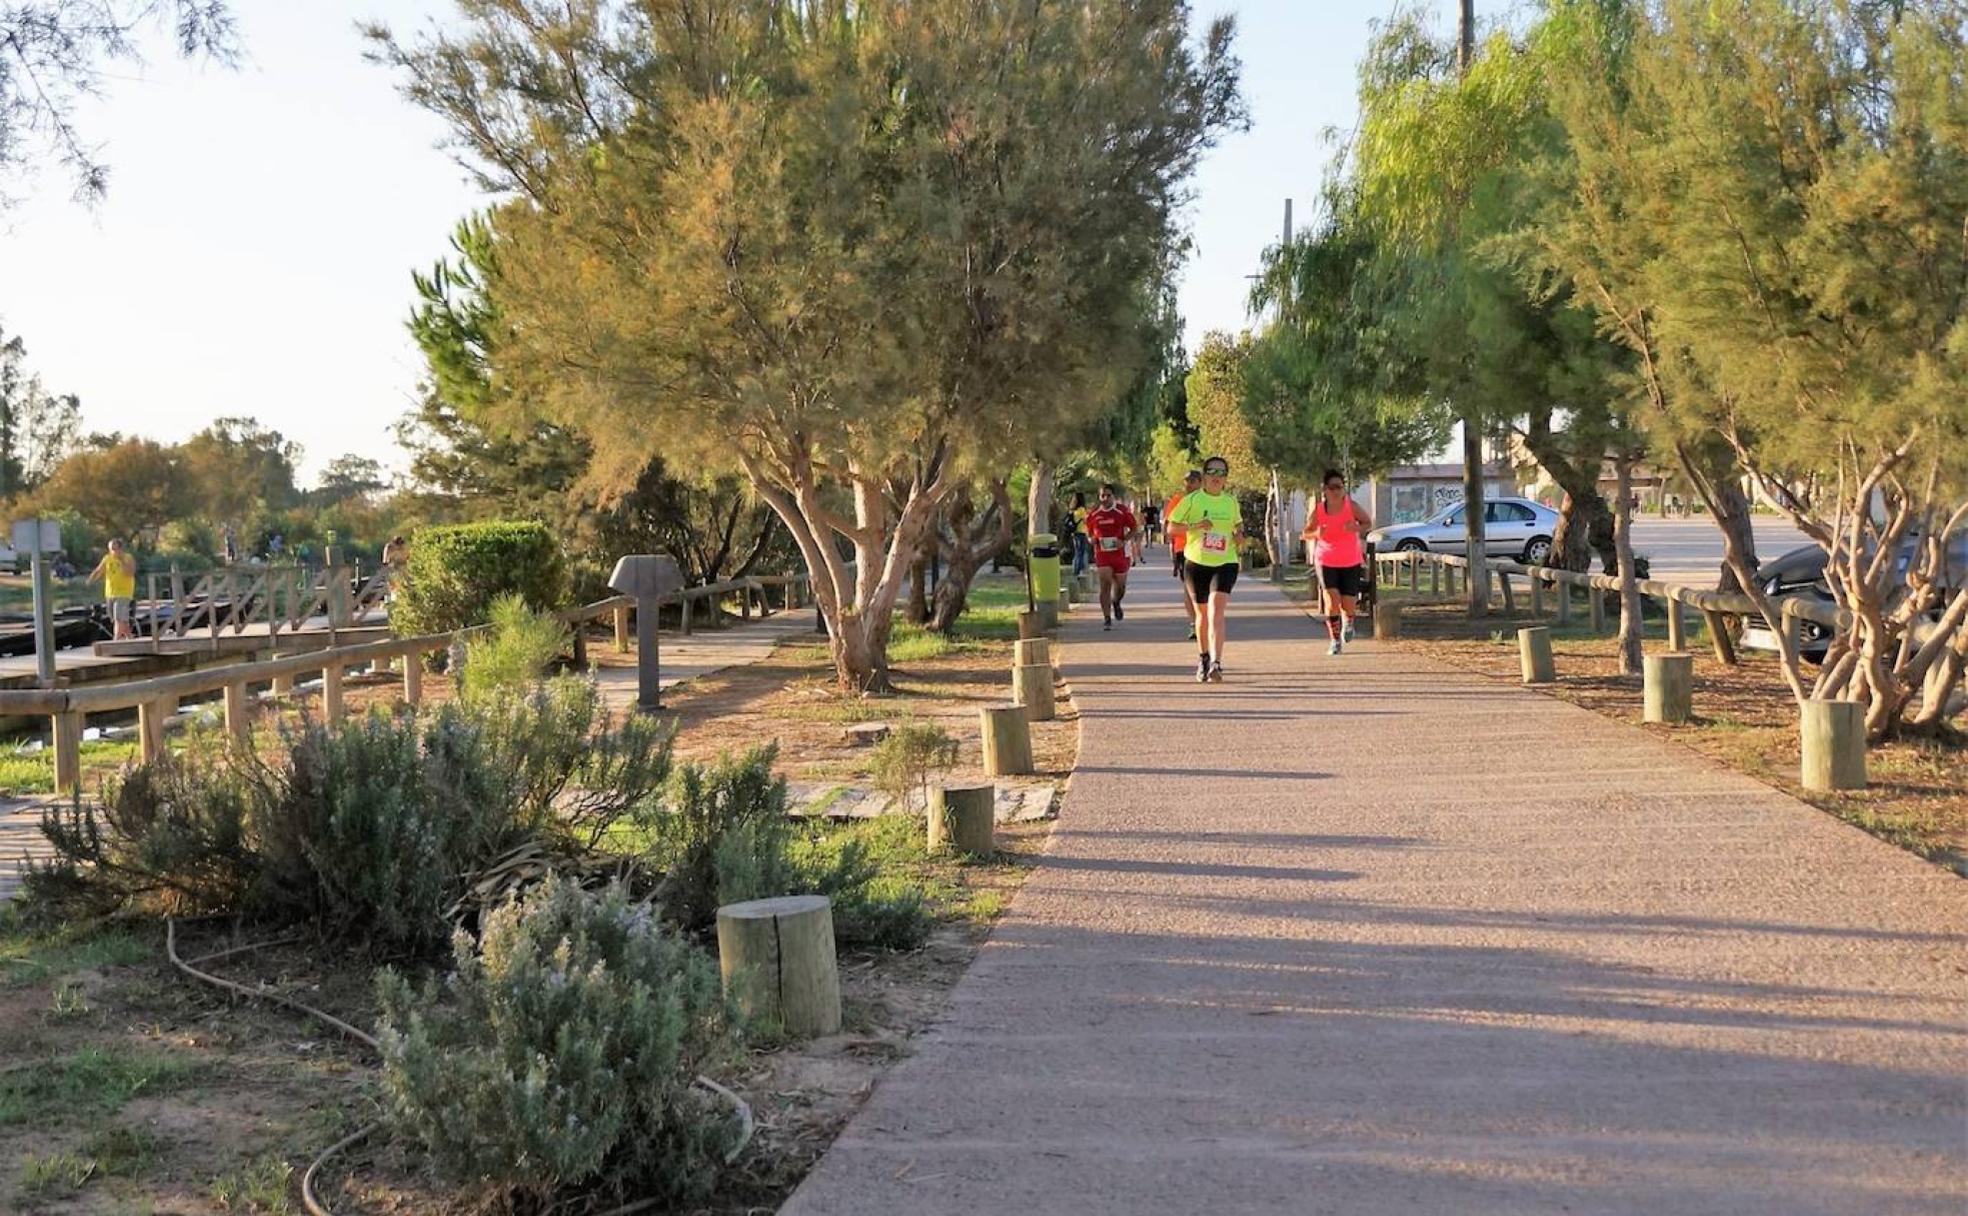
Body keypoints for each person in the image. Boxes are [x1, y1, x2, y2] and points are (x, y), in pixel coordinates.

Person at [1167, 457, 1243, 681]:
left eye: (1221, 473)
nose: (1217, 477)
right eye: (1212, 472)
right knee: (1202, 614)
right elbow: (1171, 528)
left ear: (1226, 478)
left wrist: (1239, 535)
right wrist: (1196, 526)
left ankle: (1217, 664)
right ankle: (1203, 658)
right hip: (1197, 562)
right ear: (1205, 477)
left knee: (1216, 610)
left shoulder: (1231, 502)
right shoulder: (1192, 500)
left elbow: (1237, 524)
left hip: (1225, 562)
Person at [1303, 468, 1373, 656]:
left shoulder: (1352, 506)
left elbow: (1368, 523)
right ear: (1325, 489)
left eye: (1340, 487)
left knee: (1348, 603)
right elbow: (1305, 532)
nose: (1336, 491)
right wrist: (1317, 533)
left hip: (1350, 560)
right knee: (1332, 600)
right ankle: (1334, 640)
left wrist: (1355, 527)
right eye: (1332, 487)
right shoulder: (1319, 510)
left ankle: (1349, 622)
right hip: (1325, 559)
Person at [1084, 483, 1139, 630]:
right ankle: (1107, 618)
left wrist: (1124, 540)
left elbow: (1134, 528)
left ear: (1113, 496)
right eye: (1103, 495)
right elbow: (1089, 534)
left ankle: (1116, 602)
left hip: (1120, 554)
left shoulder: (1122, 511)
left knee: (1120, 586)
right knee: (1105, 582)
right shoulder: (1094, 514)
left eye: (1108, 495)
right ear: (1099, 496)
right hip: (1102, 554)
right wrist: (1092, 540)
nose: (1105, 498)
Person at [1165, 468, 1203, 640]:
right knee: (1190, 588)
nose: (1188, 485)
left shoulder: (1209, 500)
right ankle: (1194, 623)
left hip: (1207, 549)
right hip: (1184, 549)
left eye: (1192, 481)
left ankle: (1204, 619)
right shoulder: (1178, 501)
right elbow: (1170, 528)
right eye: (1186, 481)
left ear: (1200, 483)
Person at [87, 539, 138, 641]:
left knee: (118, 617)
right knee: (115, 618)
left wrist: (122, 561)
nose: (113, 552)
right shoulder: (107, 558)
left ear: (120, 548)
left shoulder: (128, 558)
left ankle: (116, 640)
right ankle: (129, 636)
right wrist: (91, 579)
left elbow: (131, 572)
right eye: (111, 549)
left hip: (124, 592)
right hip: (110, 592)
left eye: (115, 549)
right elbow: (99, 570)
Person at [1066, 491, 1092, 578]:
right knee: (1081, 552)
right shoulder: (1082, 510)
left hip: (1074, 532)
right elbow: (1086, 521)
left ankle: (1075, 570)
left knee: (1077, 552)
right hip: (1081, 532)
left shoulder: (1072, 510)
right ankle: (1078, 570)